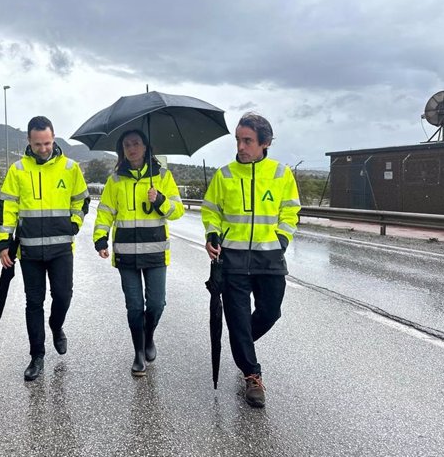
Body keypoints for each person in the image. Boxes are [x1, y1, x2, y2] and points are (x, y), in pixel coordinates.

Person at [201, 112, 300, 407]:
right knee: (239, 319)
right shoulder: (225, 175)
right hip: (232, 262)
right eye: (238, 140)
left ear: (265, 143)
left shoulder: (281, 174)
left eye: (248, 141)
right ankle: (252, 375)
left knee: (271, 312)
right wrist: (212, 234)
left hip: (269, 258)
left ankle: (240, 344)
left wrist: (282, 239)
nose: (241, 147)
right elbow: (210, 210)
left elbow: (291, 210)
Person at [0, 116, 89, 382]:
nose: (43, 148)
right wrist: (4, 242)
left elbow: (81, 202)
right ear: (29, 141)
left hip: (61, 249)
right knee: (33, 303)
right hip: (30, 252)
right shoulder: (17, 170)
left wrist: (74, 224)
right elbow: (7, 208)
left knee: (63, 296)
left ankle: (56, 325)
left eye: (47, 143)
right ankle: (37, 356)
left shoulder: (70, 168)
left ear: (53, 138)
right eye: (38, 144)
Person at [93, 129, 184, 376]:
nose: (132, 148)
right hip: (126, 254)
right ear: (122, 150)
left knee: (156, 304)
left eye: (136, 143)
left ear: (145, 147)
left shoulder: (162, 176)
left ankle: (149, 336)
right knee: (134, 306)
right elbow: (105, 212)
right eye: (127, 145)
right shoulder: (115, 180)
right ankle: (138, 353)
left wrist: (160, 201)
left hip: (155, 253)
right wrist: (100, 237)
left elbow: (177, 211)